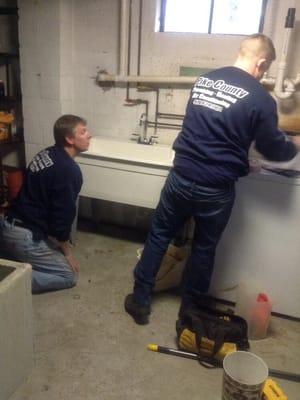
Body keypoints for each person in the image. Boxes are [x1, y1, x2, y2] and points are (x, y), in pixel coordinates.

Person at [124, 33, 300, 325]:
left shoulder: (204, 81)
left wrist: (241, 156)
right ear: (261, 61)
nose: (264, 73)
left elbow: (210, 129)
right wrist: (293, 143)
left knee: (159, 235)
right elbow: (273, 149)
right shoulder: (260, 98)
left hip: (180, 176)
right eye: (265, 68)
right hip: (215, 189)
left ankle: (140, 301)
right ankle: (189, 312)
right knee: (203, 248)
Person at [0, 114, 92, 293]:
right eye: (83, 132)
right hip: (24, 236)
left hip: (9, 224)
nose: (89, 135)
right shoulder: (69, 171)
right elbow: (62, 219)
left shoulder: (47, 152)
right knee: (68, 276)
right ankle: (10, 282)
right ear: (69, 139)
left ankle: (12, 256)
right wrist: (67, 252)